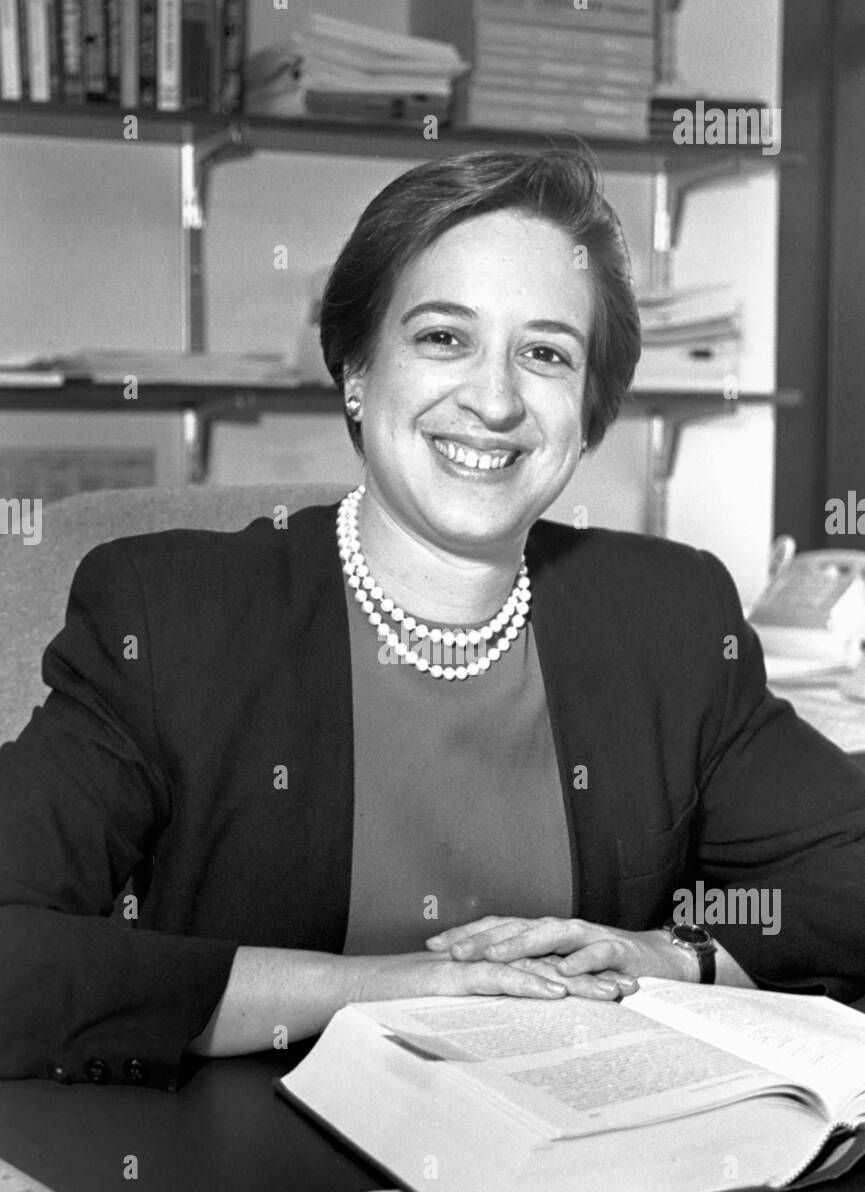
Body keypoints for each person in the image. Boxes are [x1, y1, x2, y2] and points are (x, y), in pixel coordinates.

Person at [2, 145, 865, 1093]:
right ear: (357, 373)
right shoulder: (170, 617)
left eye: (544, 354)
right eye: (443, 338)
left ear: (587, 415)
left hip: (580, 1157)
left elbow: (848, 873)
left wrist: (672, 956)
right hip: (252, 1176)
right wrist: (387, 988)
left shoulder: (667, 616)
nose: (493, 401)